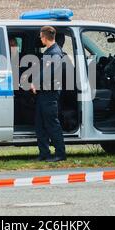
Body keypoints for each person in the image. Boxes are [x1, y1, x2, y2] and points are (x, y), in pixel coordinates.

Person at [31, 26, 67, 162]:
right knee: (40, 124)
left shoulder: (55, 53)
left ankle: (60, 153)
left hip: (50, 94)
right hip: (43, 93)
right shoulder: (49, 52)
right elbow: (42, 71)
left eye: (41, 37)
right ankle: (44, 153)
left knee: (52, 124)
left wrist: (36, 83)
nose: (40, 39)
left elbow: (50, 73)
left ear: (45, 37)